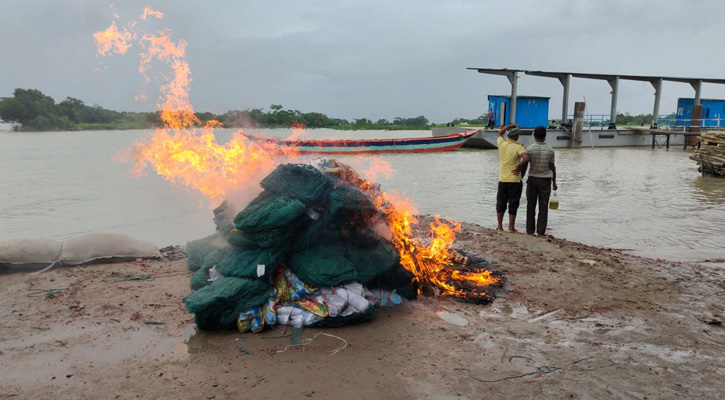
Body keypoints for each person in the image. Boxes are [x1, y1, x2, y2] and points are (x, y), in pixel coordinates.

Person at [524, 126, 557, 236]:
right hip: (545, 180)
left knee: (530, 206)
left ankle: (530, 231)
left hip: (532, 179)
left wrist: (520, 177)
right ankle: (541, 231)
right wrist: (554, 182)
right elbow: (552, 167)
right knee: (543, 206)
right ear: (545, 136)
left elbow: (525, 165)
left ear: (534, 136)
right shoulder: (550, 150)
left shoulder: (529, 149)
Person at [495, 123, 529, 232]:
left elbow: (500, 132)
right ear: (516, 136)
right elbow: (526, 158)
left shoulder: (501, 144)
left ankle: (500, 227)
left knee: (501, 202)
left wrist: (510, 126)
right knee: (513, 203)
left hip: (502, 179)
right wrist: (520, 165)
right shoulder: (518, 147)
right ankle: (511, 227)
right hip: (514, 180)